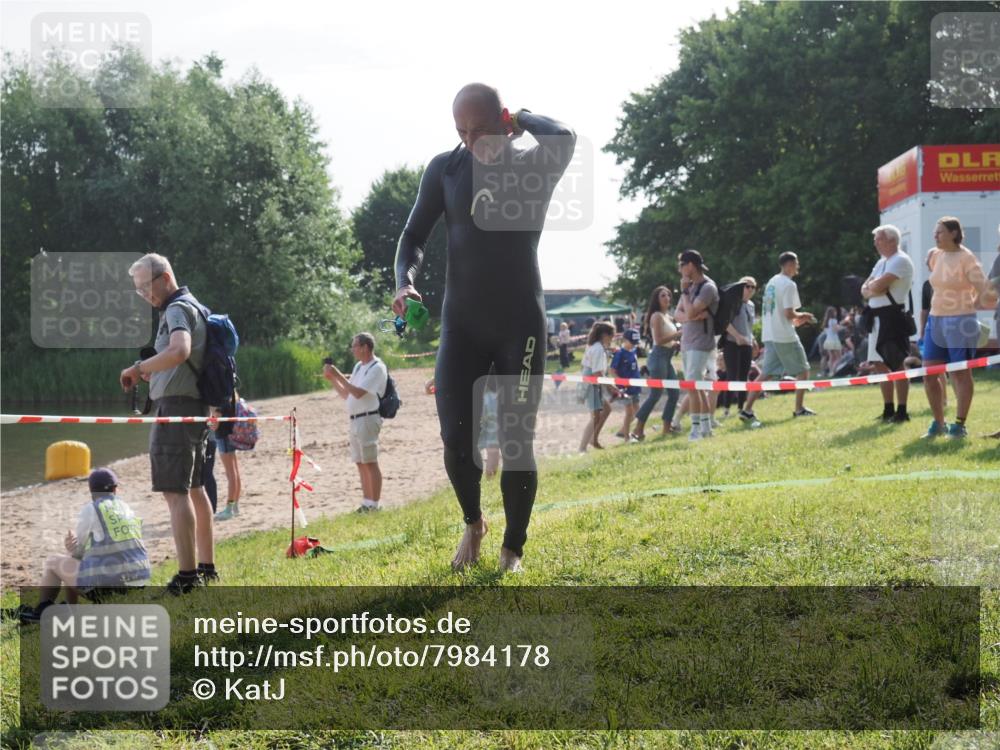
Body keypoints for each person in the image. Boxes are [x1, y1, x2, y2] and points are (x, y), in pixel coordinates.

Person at [393, 83, 575, 573]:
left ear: (503, 120)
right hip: (463, 325)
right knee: (455, 440)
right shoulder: (446, 169)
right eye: (461, 132)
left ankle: (512, 549)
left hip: (521, 324)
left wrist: (523, 118)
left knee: (516, 442)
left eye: (480, 130)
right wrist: (405, 282)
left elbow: (563, 136)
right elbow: (413, 235)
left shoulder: (533, 165)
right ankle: (473, 523)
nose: (471, 141)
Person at [119, 253, 215, 593]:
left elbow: (179, 351)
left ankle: (187, 577)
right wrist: (152, 372)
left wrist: (138, 369)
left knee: (176, 493)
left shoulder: (176, 309)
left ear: (165, 278)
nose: (145, 294)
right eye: (139, 289)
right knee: (195, 489)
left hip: (176, 410)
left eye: (146, 286)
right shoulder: (194, 306)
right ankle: (206, 567)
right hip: (193, 407)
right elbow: (180, 359)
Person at [20, 468, 150, 622]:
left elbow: (78, 555)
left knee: (53, 561)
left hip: (112, 589)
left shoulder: (92, 509)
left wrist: (71, 548)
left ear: (91, 491)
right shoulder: (127, 508)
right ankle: (71, 609)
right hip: (139, 582)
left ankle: (42, 611)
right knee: (77, 564)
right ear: (115, 489)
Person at [920, 217, 998, 439]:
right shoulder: (936, 256)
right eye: (935, 232)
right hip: (935, 320)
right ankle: (939, 423)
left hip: (961, 321)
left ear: (954, 233)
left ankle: (959, 425)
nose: (935, 236)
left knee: (960, 373)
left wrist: (971, 304)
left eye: (940, 232)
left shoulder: (967, 258)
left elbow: (986, 291)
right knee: (929, 374)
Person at [740, 252, 817, 425]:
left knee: (766, 374)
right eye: (796, 263)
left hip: (770, 334)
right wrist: (804, 315)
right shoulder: (789, 284)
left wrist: (797, 320)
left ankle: (747, 410)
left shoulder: (772, 282)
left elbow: (780, 314)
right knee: (803, 370)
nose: (798, 267)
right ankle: (799, 409)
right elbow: (789, 313)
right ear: (789, 264)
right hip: (784, 336)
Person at [324, 333, 388, 510]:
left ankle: (374, 504)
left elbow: (359, 392)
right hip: (355, 419)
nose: (352, 350)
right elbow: (347, 394)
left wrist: (338, 374)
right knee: (360, 462)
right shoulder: (359, 366)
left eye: (355, 346)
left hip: (368, 417)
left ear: (365, 347)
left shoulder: (377, 367)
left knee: (370, 461)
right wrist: (332, 379)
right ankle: (366, 502)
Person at [861, 224, 915, 423]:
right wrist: (873, 288)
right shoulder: (881, 262)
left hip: (892, 317)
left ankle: (902, 410)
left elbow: (877, 285)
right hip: (876, 318)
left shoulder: (900, 260)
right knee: (878, 363)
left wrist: (873, 287)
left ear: (892, 240)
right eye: (875, 240)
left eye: (879, 239)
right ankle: (888, 409)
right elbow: (865, 288)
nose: (875, 243)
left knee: (897, 362)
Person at [674, 250, 719, 440]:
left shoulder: (708, 287)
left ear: (690, 265)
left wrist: (685, 293)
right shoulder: (691, 286)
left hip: (701, 343)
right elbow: (677, 314)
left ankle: (695, 429)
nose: (679, 269)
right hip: (687, 342)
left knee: (693, 386)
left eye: (681, 265)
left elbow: (689, 312)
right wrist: (691, 316)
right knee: (697, 387)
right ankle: (706, 429)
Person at [633, 286, 682, 440]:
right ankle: (638, 429)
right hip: (658, 357)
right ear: (656, 299)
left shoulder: (668, 317)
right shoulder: (656, 316)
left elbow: (667, 340)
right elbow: (659, 340)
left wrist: (675, 343)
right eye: (663, 295)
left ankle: (666, 429)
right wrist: (677, 334)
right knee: (655, 395)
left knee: (674, 393)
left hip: (667, 357)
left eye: (668, 295)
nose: (667, 297)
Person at [722, 277, 757, 415]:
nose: (750, 289)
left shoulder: (751, 305)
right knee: (732, 376)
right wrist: (737, 336)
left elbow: (749, 326)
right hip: (732, 343)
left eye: (753, 287)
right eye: (747, 286)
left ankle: (741, 408)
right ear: (741, 287)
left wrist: (752, 339)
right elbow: (724, 322)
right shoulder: (733, 301)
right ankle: (726, 408)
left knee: (744, 376)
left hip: (747, 344)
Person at [579, 321, 615, 452]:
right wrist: (611, 387)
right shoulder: (598, 349)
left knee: (606, 410)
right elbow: (597, 373)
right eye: (612, 336)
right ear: (605, 335)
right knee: (595, 417)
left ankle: (593, 439)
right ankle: (582, 448)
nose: (612, 339)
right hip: (591, 384)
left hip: (591, 383)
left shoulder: (595, 346)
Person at [210, 397, 243, 520]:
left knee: (231, 474)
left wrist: (207, 422)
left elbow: (214, 425)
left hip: (223, 436)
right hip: (232, 435)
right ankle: (235, 506)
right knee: (235, 472)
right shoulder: (232, 396)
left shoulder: (219, 400)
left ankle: (229, 509)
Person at [611, 328, 643, 441]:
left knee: (637, 412)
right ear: (625, 340)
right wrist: (620, 381)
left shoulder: (634, 351)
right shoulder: (619, 353)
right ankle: (626, 437)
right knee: (629, 412)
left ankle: (623, 431)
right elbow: (612, 370)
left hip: (635, 387)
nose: (633, 345)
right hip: (624, 388)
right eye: (631, 342)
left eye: (635, 343)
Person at [819, 307, 842, 376]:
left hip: (828, 340)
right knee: (839, 358)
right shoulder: (833, 320)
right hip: (834, 340)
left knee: (831, 357)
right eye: (835, 312)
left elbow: (826, 331)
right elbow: (835, 330)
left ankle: (830, 372)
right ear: (833, 313)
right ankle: (833, 371)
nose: (836, 313)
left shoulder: (826, 322)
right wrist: (840, 326)